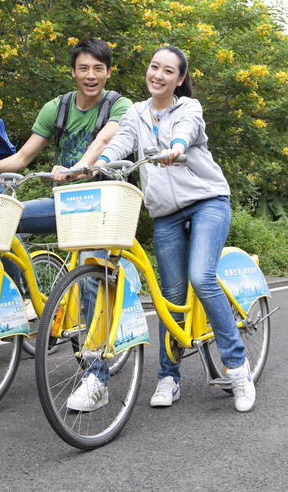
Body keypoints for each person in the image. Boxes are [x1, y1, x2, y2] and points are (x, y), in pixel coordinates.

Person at [69, 45, 256, 413]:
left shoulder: (189, 107)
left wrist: (176, 146)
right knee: (169, 297)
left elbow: (187, 130)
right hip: (166, 213)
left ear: (180, 79)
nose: (159, 75)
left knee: (200, 278)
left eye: (168, 71)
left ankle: (237, 369)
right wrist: (100, 163)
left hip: (207, 201)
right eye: (154, 67)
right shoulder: (136, 113)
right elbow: (122, 141)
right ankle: (169, 377)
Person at [0, 38, 132, 234]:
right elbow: (23, 158)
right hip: (66, 200)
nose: (90, 76)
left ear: (108, 72)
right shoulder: (56, 109)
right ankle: (24, 266)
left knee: (96, 262)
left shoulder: (120, 105)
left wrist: (73, 170)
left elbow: (104, 140)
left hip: (106, 204)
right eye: (83, 68)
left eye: (98, 69)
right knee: (1, 219)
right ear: (73, 71)